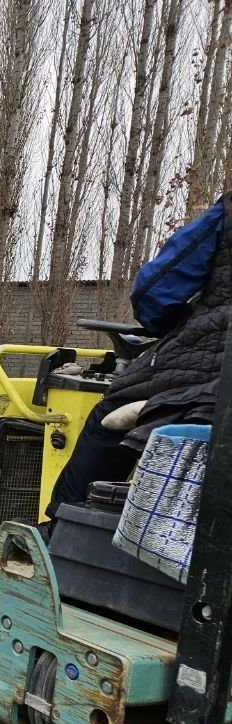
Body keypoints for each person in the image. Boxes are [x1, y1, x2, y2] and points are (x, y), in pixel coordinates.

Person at [47, 189, 231, 518]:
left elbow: (155, 291)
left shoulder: (227, 212)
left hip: (211, 364)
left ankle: (63, 530)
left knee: (108, 421)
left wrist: (174, 327)